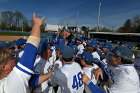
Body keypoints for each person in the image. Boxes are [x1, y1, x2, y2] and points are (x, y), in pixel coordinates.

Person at [0, 13, 52, 93]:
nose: (16, 58)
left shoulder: (6, 80)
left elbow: (31, 80)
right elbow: (30, 50)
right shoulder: (13, 82)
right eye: (12, 57)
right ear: (3, 67)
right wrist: (37, 25)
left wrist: (51, 73)